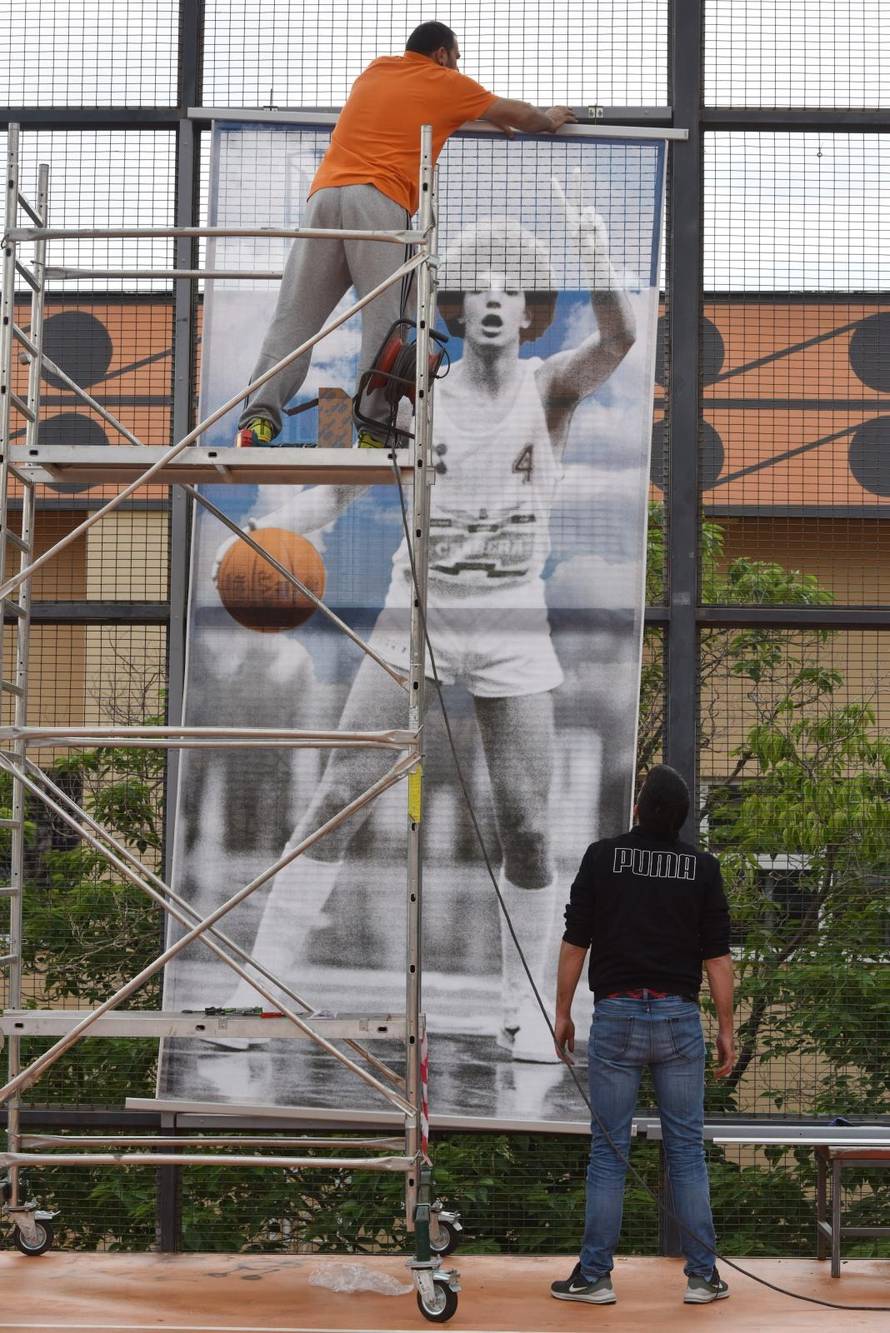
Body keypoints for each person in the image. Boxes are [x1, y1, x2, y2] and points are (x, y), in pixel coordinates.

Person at [214, 185, 635, 1063]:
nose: (490, 297)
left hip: (512, 621)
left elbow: (622, 339)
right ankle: (259, 991)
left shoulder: (550, 387)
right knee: (340, 795)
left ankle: (528, 1006)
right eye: (475, 286)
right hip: (420, 613)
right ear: (455, 307)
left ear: (527, 316)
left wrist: (598, 256)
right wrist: (288, 525)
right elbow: (345, 482)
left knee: (524, 823)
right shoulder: (413, 390)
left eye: (507, 289)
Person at [235, 20, 576, 450]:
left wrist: (474, 113)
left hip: (324, 197)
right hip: (378, 200)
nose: (458, 66)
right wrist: (547, 119)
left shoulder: (376, 71)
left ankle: (257, 421)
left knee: (296, 316)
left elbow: (409, 111)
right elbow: (521, 115)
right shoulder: (448, 83)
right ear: (441, 55)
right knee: (386, 320)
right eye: (456, 57)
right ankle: (375, 429)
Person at [550, 764, 736, 1305]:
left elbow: (574, 943)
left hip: (617, 1017)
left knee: (609, 1152)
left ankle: (594, 1277)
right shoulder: (703, 868)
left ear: (638, 808)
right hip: (679, 1021)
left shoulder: (602, 858)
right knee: (686, 1151)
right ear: (682, 820)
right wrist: (725, 1028)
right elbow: (718, 959)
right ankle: (704, 1277)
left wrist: (564, 1013)